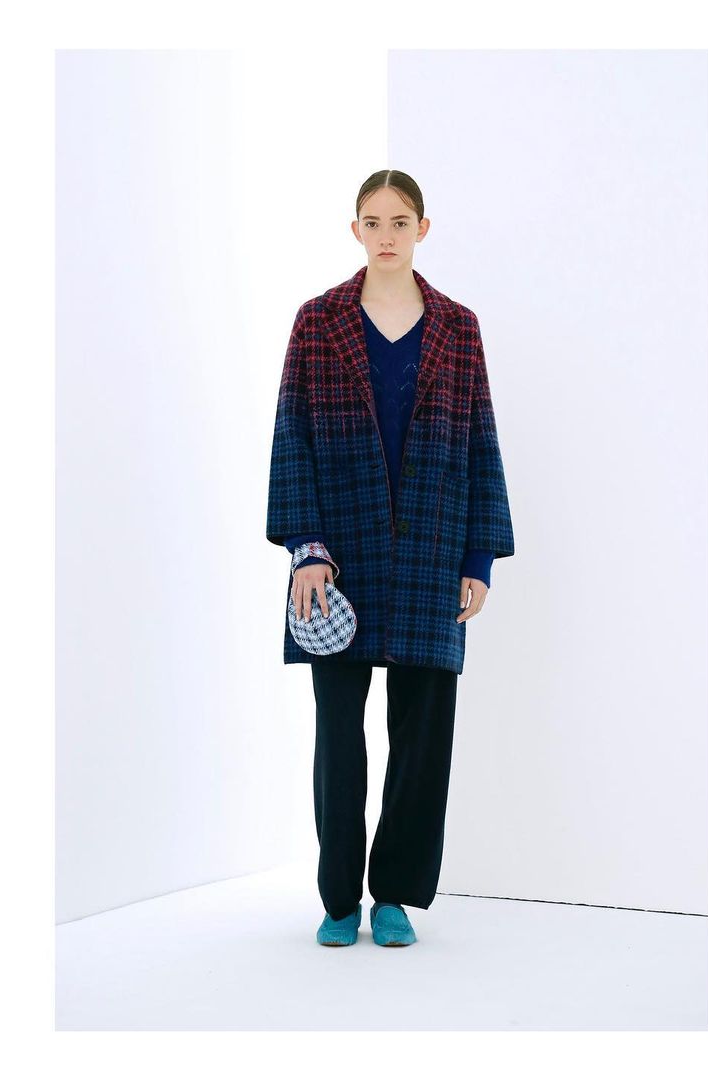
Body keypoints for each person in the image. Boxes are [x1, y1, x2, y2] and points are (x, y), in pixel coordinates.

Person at [265, 169, 515, 947]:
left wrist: (479, 555)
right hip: (337, 556)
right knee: (339, 737)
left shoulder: (459, 327)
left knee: (423, 737)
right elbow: (291, 437)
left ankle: (396, 896)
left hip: (433, 552)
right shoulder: (317, 321)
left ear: (422, 229)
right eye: (372, 222)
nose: (385, 235)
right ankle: (340, 898)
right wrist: (306, 548)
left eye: (399, 222)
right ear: (355, 230)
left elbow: (480, 441)